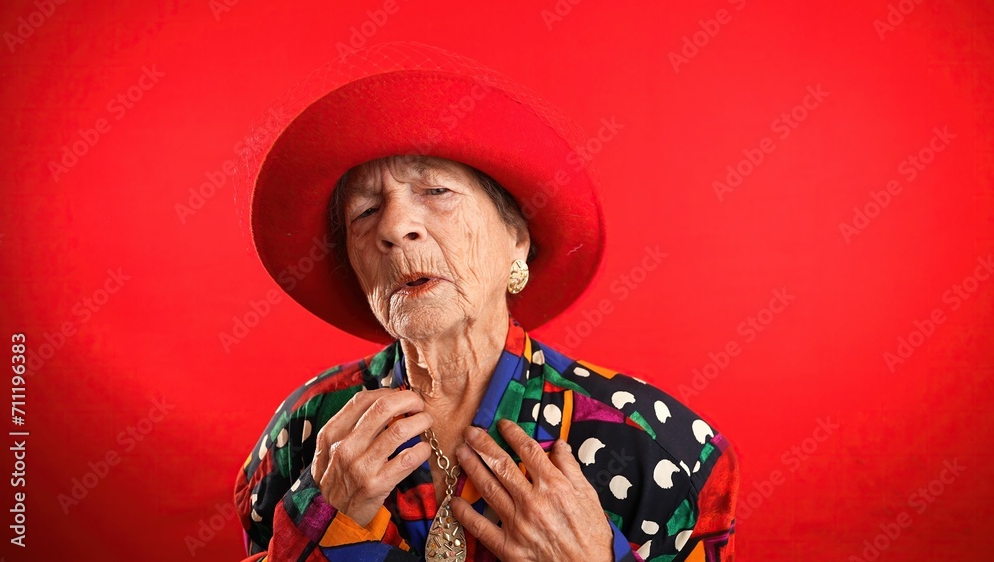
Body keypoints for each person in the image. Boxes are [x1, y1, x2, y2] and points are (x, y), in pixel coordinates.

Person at [234, 43, 738, 562]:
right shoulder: (305, 428)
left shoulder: (659, 446)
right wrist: (320, 523)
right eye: (364, 211)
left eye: (435, 191)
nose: (393, 228)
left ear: (517, 240)